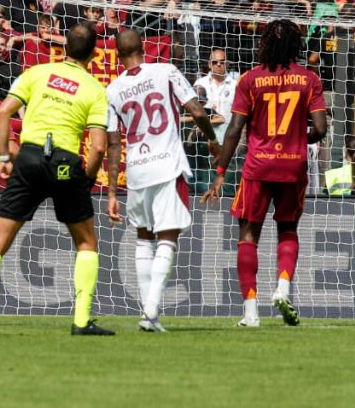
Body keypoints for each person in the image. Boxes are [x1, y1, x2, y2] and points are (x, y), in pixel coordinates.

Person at [0, 25, 113, 336]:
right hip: (64, 163)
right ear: (94, 53)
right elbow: (99, 146)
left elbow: (2, 113)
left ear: (64, 47)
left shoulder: (37, 73)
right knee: (86, 242)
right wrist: (85, 181)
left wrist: (3, 158)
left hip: (28, 157)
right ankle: (80, 321)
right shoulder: (94, 88)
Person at [202, 20, 327, 327]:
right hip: (293, 166)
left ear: (265, 44)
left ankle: (250, 312)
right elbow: (321, 129)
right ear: (296, 46)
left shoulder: (250, 79)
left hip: (258, 167)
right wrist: (299, 138)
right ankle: (283, 288)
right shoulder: (309, 79)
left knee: (248, 235)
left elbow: (233, 129)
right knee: (288, 229)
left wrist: (221, 171)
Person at [104, 30, 219, 332]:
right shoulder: (166, 71)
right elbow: (196, 110)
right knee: (168, 239)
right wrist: (211, 139)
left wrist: (113, 191)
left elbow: (114, 143)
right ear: (144, 48)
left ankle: (147, 312)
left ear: (117, 55)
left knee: (143, 239)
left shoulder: (113, 90)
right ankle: (151, 311)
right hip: (167, 165)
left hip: (138, 170)